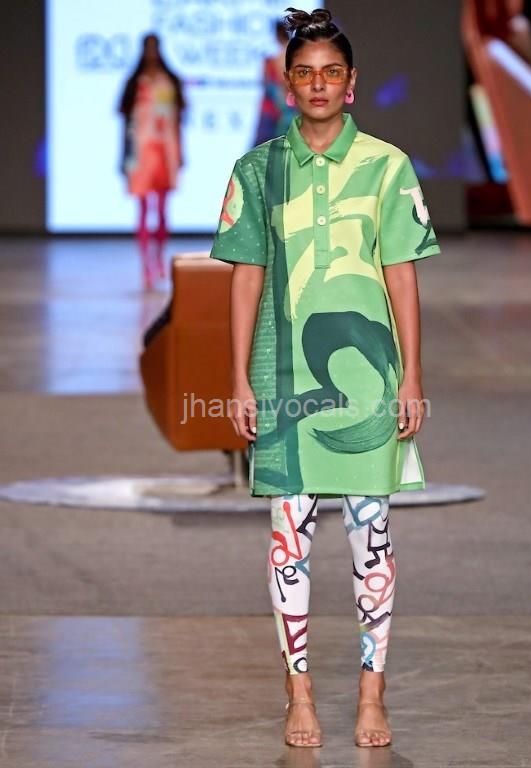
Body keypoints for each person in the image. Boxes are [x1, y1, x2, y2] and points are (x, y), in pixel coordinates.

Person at [209, 6, 441, 748]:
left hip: (370, 379)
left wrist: (412, 377)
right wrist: (239, 379)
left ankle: (374, 693)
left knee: (373, 539)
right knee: (290, 542)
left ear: (351, 83)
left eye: (330, 72)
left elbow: (401, 274)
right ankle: (298, 692)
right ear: (287, 85)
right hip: (284, 379)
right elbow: (245, 278)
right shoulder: (257, 171)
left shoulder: (387, 166)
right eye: (305, 73)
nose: (318, 84)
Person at [118, 33, 186, 289]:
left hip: (166, 149)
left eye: (154, 47)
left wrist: (181, 153)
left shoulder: (169, 81)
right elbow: (127, 123)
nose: (151, 53)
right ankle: (146, 265)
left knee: (163, 209)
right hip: (142, 151)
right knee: (144, 207)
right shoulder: (135, 83)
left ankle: (158, 259)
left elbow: (177, 120)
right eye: (148, 48)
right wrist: (124, 156)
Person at [253, 20, 299, 144]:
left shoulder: (277, 57)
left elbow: (275, 83)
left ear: (277, 34)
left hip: (278, 109)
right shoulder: (295, 55)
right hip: (289, 107)